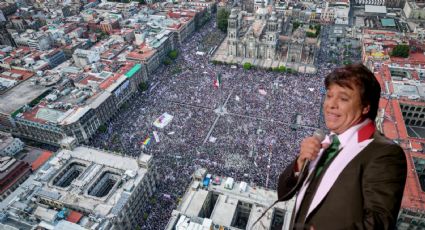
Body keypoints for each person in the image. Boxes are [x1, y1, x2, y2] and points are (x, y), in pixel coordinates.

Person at [277, 63, 407, 229]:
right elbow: (283, 195)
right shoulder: (327, 143)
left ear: (366, 107)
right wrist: (300, 163)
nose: (331, 104)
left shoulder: (384, 153)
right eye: (329, 96)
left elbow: (380, 223)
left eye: (343, 99)